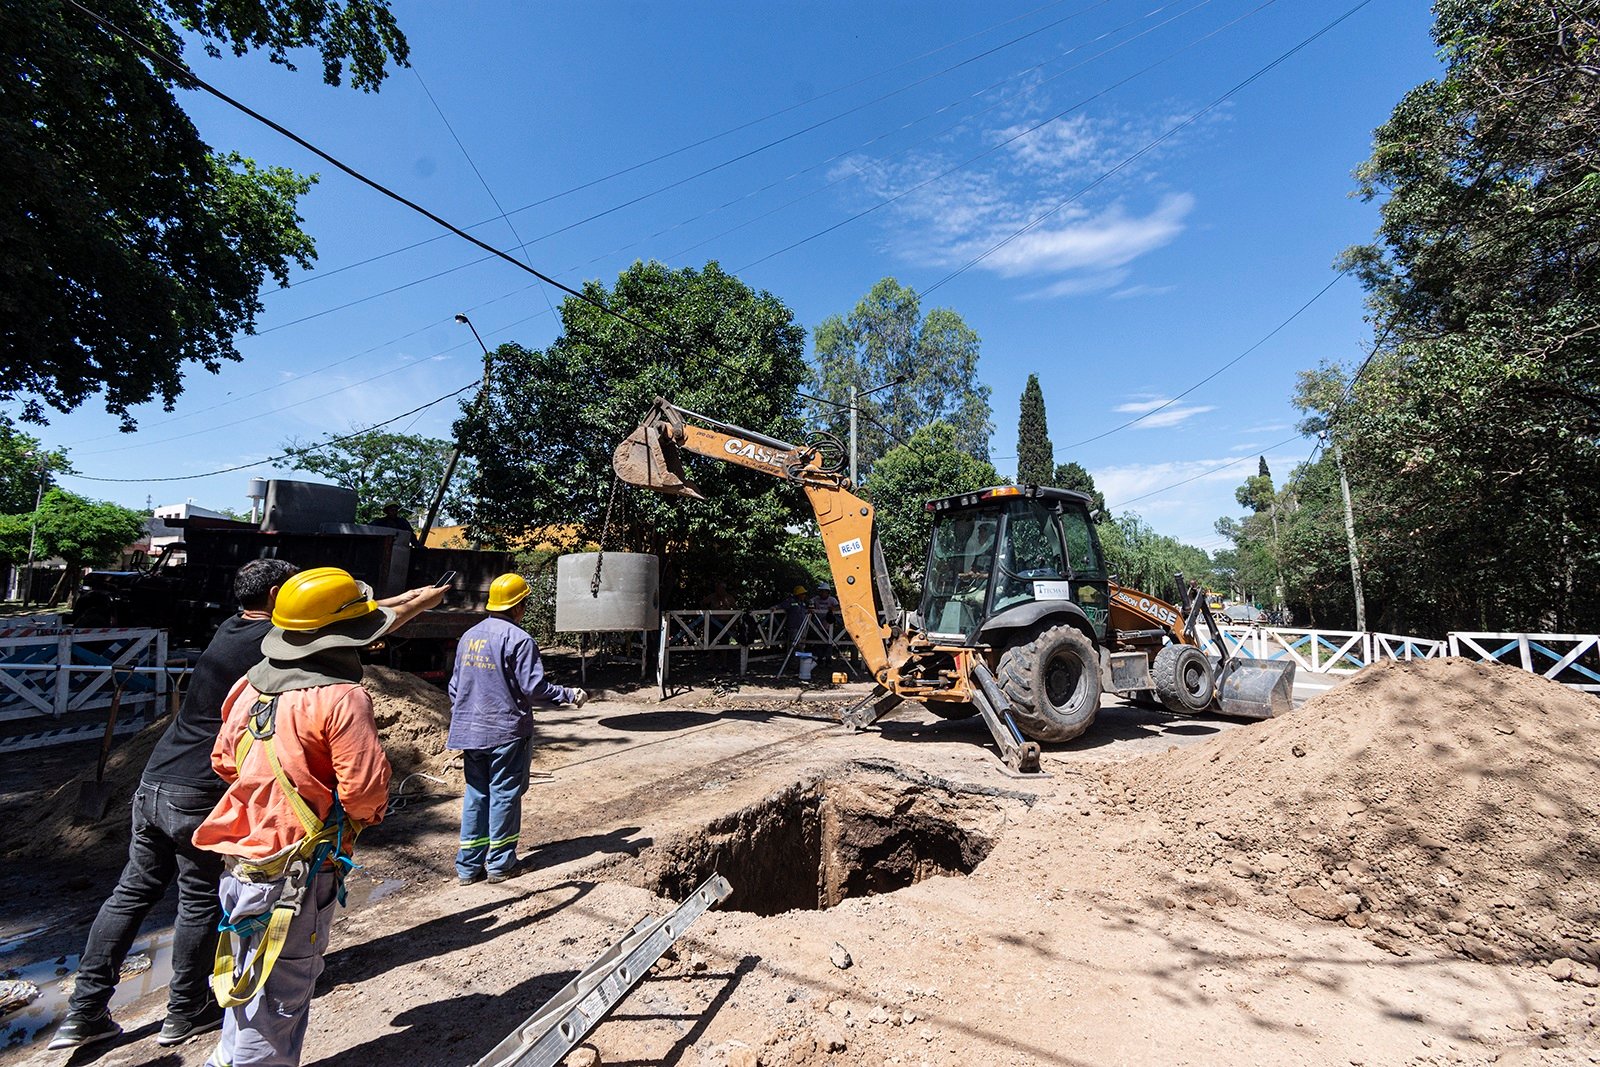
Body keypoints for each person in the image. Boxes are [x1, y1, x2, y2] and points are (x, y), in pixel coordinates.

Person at [193, 567, 446, 1067]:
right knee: (282, 991)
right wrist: (342, 816)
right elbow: (366, 791)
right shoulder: (341, 698)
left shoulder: (249, 686)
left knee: (248, 976)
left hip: (241, 859)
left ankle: (227, 1058)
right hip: (297, 869)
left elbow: (224, 761)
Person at [49, 559, 301, 1052]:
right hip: (200, 789)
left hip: (157, 779)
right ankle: (186, 1009)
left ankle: (83, 1013)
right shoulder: (271, 640)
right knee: (199, 899)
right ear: (275, 595)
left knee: (131, 892)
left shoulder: (230, 628)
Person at [449, 573, 588, 885]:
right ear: (518, 606)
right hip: (506, 731)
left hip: (471, 731)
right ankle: (500, 862)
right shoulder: (519, 640)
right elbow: (533, 687)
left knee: (476, 793)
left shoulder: (469, 637)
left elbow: (455, 688)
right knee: (505, 794)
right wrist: (568, 695)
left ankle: (469, 867)